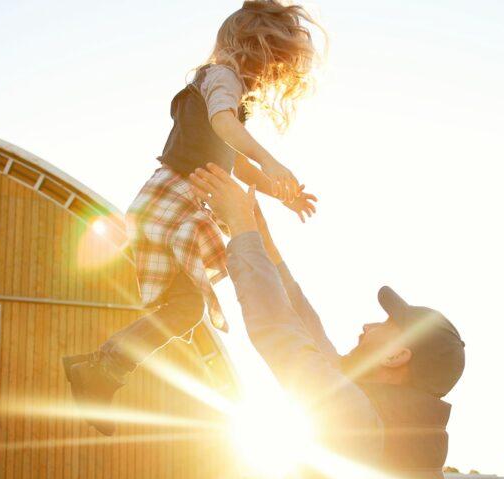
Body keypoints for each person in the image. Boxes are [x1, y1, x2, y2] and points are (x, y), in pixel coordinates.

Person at [188, 163, 465, 479]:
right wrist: (254, 231)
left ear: (398, 357)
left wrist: (244, 235)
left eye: (383, 326)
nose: (366, 325)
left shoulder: (358, 417)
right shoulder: (390, 420)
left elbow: (279, 332)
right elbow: (301, 317)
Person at [63, 0, 323, 435]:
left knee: (184, 306)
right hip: (171, 201)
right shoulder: (220, 79)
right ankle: (99, 369)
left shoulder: (222, 92)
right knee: (185, 307)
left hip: (175, 202)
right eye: (269, 64)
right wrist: (273, 162)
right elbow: (225, 126)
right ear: (249, 50)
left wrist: (281, 194)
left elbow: (234, 161)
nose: (265, 78)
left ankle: (99, 369)